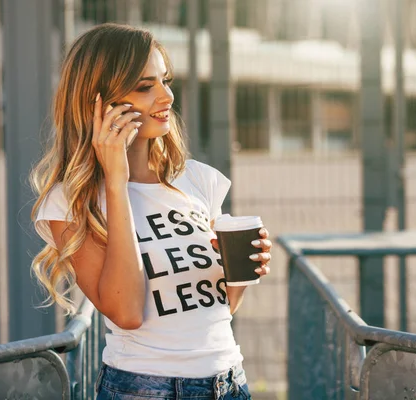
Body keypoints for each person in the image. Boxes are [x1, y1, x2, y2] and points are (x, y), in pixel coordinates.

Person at [30, 23, 272, 400]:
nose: (167, 96)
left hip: (229, 383)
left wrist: (243, 270)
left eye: (165, 80)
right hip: (144, 389)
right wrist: (116, 180)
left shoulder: (198, 180)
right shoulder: (72, 201)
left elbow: (218, 309)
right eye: (145, 86)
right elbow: (126, 312)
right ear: (99, 103)